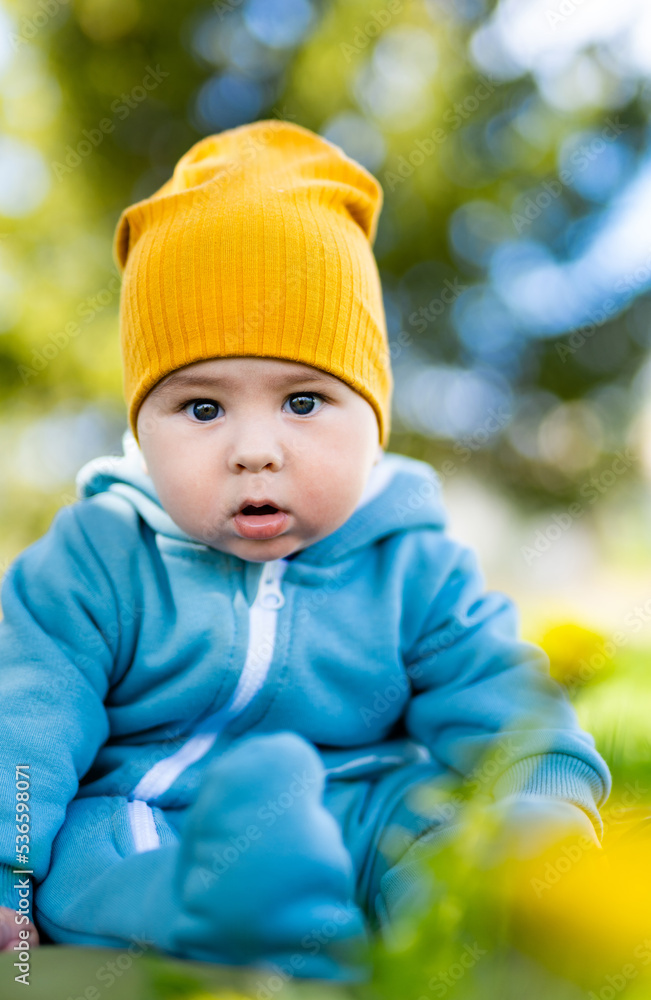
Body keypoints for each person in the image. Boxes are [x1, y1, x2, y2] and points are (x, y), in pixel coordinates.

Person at [0, 120, 610, 981]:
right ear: (141, 428)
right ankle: (226, 903)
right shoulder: (98, 558)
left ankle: (490, 898)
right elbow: (25, 724)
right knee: (90, 868)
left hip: (362, 804)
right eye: (202, 408)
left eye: (303, 401)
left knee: (432, 832)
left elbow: (496, 687)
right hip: (161, 813)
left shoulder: (411, 559)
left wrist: (537, 793)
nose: (255, 449)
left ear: (373, 420)